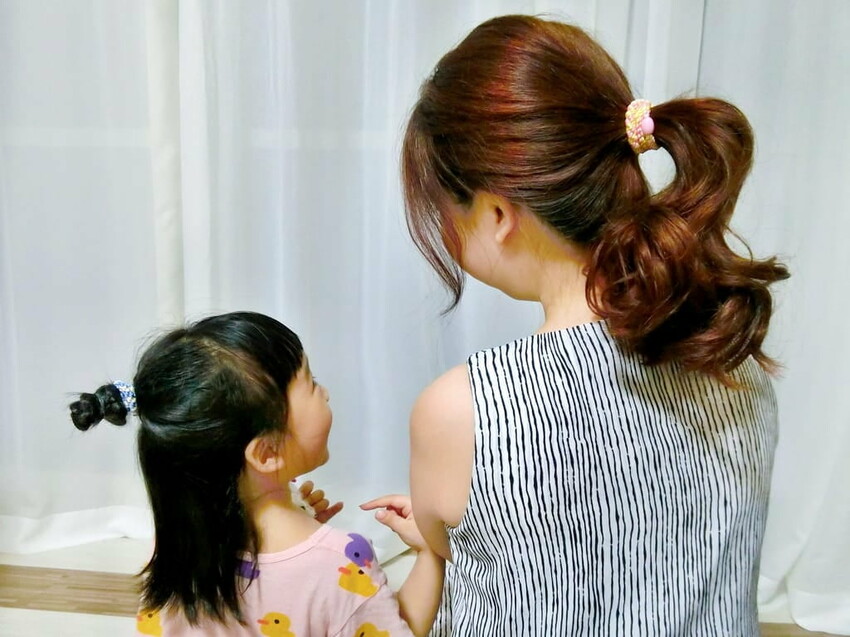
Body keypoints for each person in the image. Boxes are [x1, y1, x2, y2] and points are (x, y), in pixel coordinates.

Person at [400, 14, 789, 636]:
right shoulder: (732, 357)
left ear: (497, 213)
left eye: (445, 212)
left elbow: (450, 555)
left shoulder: (463, 410)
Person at [69, 312, 443, 636]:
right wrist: (429, 552)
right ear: (266, 453)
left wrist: (301, 520)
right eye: (311, 383)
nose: (325, 393)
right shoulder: (341, 560)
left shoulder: (176, 548)